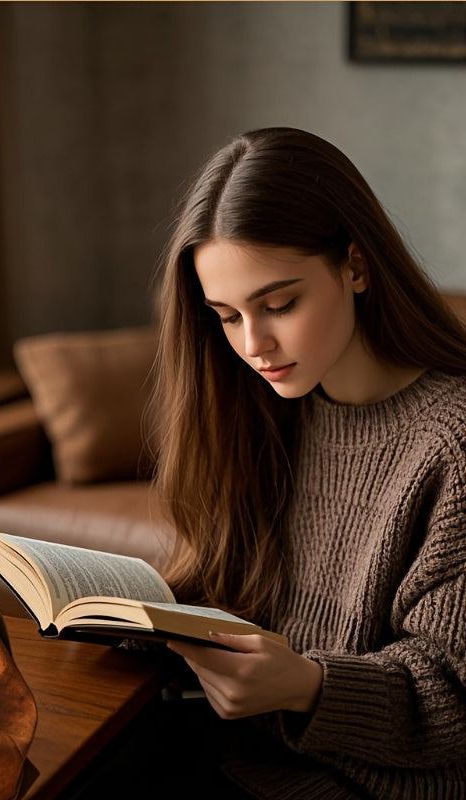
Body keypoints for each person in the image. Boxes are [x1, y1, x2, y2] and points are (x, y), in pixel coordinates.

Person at [148, 126, 466, 798]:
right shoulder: (266, 411)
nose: (255, 344)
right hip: (230, 754)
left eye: (280, 304)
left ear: (356, 266)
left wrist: (309, 686)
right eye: (227, 316)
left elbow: (453, 699)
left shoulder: (453, 443)